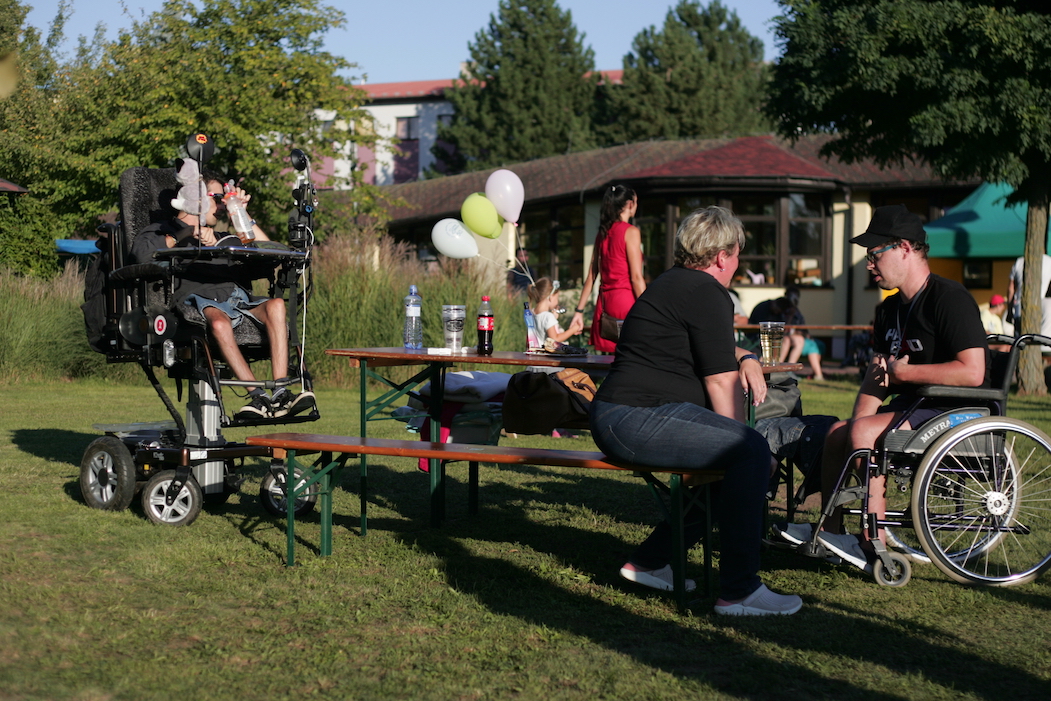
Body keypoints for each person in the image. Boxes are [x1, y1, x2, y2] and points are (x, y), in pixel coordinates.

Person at [589, 206, 802, 616]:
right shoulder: (708, 292)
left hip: (622, 416)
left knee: (737, 463)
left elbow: (708, 345)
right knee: (749, 453)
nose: (737, 265)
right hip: (633, 417)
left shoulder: (674, 282)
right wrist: (742, 443)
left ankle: (651, 562)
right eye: (737, 255)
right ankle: (739, 591)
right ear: (722, 256)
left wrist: (745, 356)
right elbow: (720, 382)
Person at [773, 204, 988, 571]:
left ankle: (872, 540)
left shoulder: (949, 298)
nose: (869, 265)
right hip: (913, 407)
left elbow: (973, 372)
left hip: (955, 410)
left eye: (874, 255)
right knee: (838, 432)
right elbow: (876, 381)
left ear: (904, 248)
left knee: (862, 432)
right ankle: (830, 531)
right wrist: (857, 426)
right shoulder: (889, 310)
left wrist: (908, 375)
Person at [129, 159, 315, 421]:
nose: (220, 206)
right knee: (218, 321)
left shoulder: (225, 238)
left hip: (237, 300)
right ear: (196, 198)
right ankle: (257, 396)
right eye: (217, 198)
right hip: (198, 302)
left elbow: (272, 253)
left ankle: (281, 391)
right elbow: (142, 255)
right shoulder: (163, 231)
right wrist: (188, 232)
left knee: (276, 305)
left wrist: (241, 213)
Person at [571, 184, 646, 354]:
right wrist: (649, 307)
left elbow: (591, 275)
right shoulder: (631, 232)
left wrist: (579, 311)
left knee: (609, 361)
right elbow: (636, 277)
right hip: (626, 302)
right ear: (629, 204)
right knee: (633, 356)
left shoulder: (602, 233)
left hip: (604, 305)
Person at [1007, 252, 1051, 337]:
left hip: (1020, 311)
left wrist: (1009, 312)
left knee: (1020, 342)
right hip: (1043, 312)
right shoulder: (1049, 262)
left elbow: (1011, 289)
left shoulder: (1019, 262)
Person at [528, 278, 583, 344]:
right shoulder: (548, 316)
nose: (558, 301)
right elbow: (555, 339)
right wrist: (573, 329)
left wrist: (553, 318)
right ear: (551, 297)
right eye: (557, 297)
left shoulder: (532, 313)